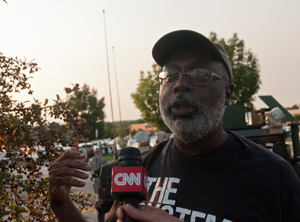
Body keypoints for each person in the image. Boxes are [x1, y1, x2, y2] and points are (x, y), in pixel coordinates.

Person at [49, 30, 300, 222]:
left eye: (199, 74)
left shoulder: (273, 176)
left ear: (227, 93)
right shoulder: (140, 170)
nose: (179, 85)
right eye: (169, 76)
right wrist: (62, 205)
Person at [89, 148, 107, 222]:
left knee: (98, 193)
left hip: (95, 180)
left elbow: (90, 170)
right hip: (102, 180)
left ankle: (99, 203)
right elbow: (106, 169)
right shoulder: (103, 159)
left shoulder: (91, 160)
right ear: (99, 152)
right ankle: (101, 204)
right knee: (103, 194)